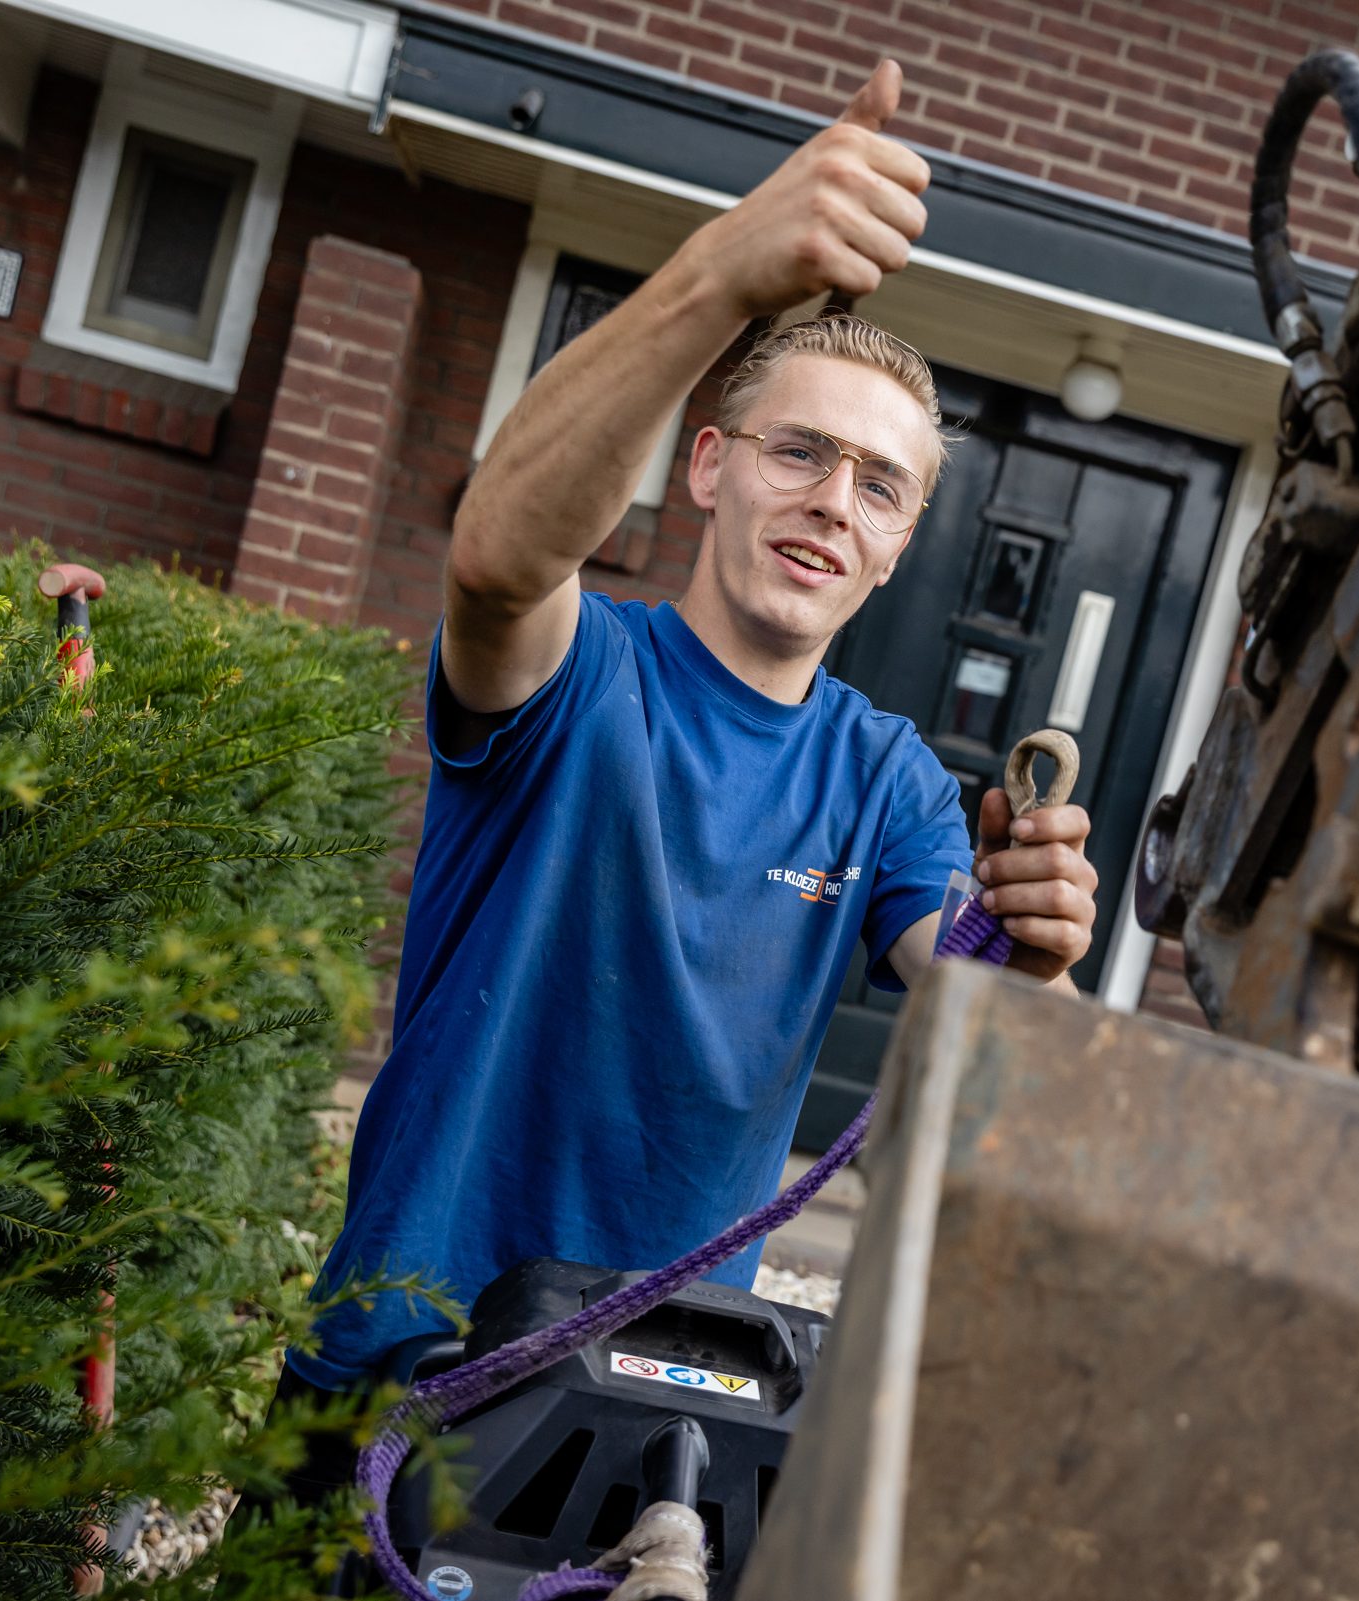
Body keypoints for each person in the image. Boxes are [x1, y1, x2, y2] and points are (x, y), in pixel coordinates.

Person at [261, 59, 1100, 1508]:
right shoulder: (579, 673)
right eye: (801, 452)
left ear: (899, 548)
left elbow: (989, 1029)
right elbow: (500, 552)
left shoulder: (884, 774)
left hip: (642, 1405)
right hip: (404, 1360)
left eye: (880, 485)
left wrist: (1030, 956)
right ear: (708, 466)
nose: (835, 501)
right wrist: (723, 268)